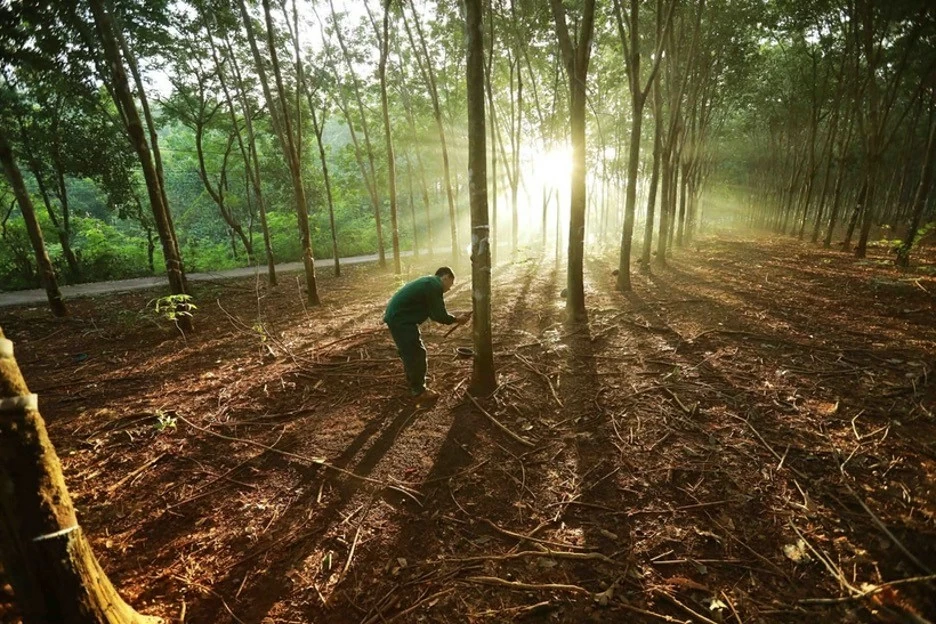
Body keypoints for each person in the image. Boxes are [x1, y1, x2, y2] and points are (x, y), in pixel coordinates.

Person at [383, 266, 471, 402]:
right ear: (446, 277)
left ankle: (414, 380)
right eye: (451, 283)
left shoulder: (428, 282)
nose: (450, 288)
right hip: (401, 320)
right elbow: (438, 315)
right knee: (417, 353)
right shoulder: (434, 285)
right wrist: (457, 319)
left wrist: (455, 318)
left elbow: (432, 311)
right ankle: (419, 391)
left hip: (398, 317)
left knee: (409, 351)